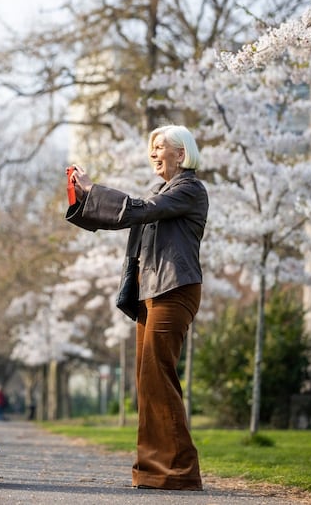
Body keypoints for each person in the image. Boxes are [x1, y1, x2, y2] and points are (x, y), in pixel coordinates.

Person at [65, 125, 208, 491]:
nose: (153, 153)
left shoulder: (189, 190)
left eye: (161, 146)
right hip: (153, 292)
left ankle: (179, 471)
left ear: (182, 153)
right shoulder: (161, 192)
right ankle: (153, 470)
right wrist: (84, 198)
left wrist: (94, 190)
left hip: (175, 290)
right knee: (148, 380)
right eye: (151, 147)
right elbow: (130, 215)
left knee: (159, 376)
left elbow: (140, 210)